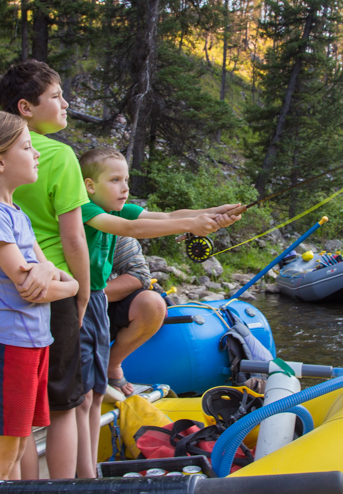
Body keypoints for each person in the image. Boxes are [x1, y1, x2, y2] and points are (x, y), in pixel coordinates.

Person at [76, 146, 241, 472]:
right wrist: (193, 225)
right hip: (78, 305)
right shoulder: (83, 210)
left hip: (95, 303)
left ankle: (107, 377)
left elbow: (166, 216)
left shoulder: (120, 208)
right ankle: (79, 466)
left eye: (126, 179)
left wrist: (215, 211)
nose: (125, 187)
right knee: (82, 393)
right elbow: (133, 229)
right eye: (115, 180)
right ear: (89, 186)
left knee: (92, 390)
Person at [0, 110, 79, 480]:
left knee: (20, 443)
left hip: (34, 342)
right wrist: (51, 279)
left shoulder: (15, 212)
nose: (36, 153)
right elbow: (31, 288)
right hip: (11, 347)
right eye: (27, 146)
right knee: (3, 453)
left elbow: (63, 282)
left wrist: (51, 277)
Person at [0, 60, 91, 479]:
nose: (65, 104)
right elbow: (73, 239)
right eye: (57, 96)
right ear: (25, 107)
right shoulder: (57, 156)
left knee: (15, 419)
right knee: (60, 407)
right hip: (37, 306)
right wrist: (80, 291)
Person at [104, 236, 167, 396]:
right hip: (57, 307)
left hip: (99, 302)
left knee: (153, 303)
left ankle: (112, 365)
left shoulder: (114, 227)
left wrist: (85, 295)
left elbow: (140, 276)